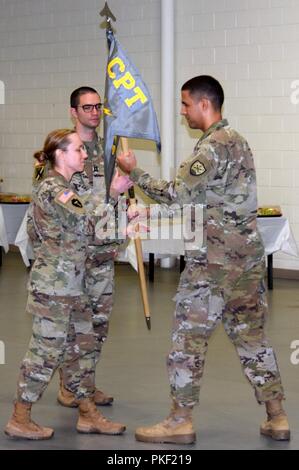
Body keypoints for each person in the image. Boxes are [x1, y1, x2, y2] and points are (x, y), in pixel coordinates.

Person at [117, 75, 290, 444]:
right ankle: (277, 417)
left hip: (212, 264)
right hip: (247, 261)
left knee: (187, 340)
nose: (183, 112)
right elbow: (207, 203)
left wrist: (136, 173)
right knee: (253, 340)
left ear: (204, 104)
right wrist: (154, 216)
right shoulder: (239, 142)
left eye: (185, 104)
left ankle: (180, 421)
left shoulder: (209, 149)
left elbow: (178, 195)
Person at [4, 129, 126, 440]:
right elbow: (87, 223)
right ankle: (20, 416)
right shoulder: (53, 189)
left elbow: (86, 237)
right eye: (79, 150)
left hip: (75, 286)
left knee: (81, 352)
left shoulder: (66, 187)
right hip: (55, 290)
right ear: (61, 155)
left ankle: (88, 415)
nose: (85, 155)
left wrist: (122, 231)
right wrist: (112, 194)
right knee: (45, 353)